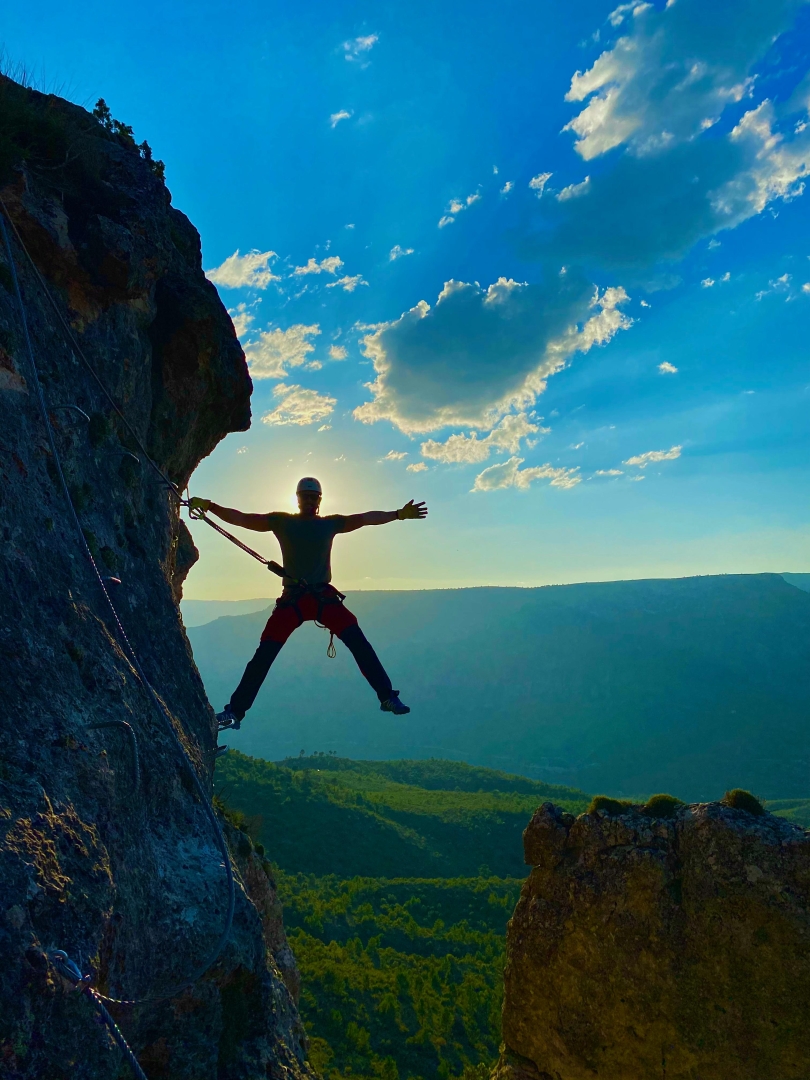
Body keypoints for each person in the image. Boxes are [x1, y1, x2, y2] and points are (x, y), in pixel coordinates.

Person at [188, 478, 428, 730]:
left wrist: (399, 514)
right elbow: (245, 519)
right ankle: (235, 711)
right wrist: (210, 506)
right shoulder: (282, 521)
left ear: (319, 501)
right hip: (297, 599)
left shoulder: (328, 524)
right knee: (264, 654)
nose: (310, 501)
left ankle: (387, 696)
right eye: (306, 497)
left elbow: (366, 518)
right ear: (298, 499)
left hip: (321, 598)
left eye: (313, 497)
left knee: (359, 642)